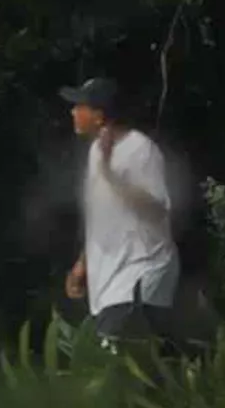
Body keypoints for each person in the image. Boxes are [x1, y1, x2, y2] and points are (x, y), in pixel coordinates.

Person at [60, 76, 180, 347]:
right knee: (128, 377)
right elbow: (105, 218)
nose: (72, 111)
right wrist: (83, 265)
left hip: (140, 276)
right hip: (111, 283)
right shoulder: (96, 153)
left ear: (99, 116)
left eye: (80, 106)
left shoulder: (140, 150)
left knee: (120, 373)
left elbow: (158, 209)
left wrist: (112, 176)